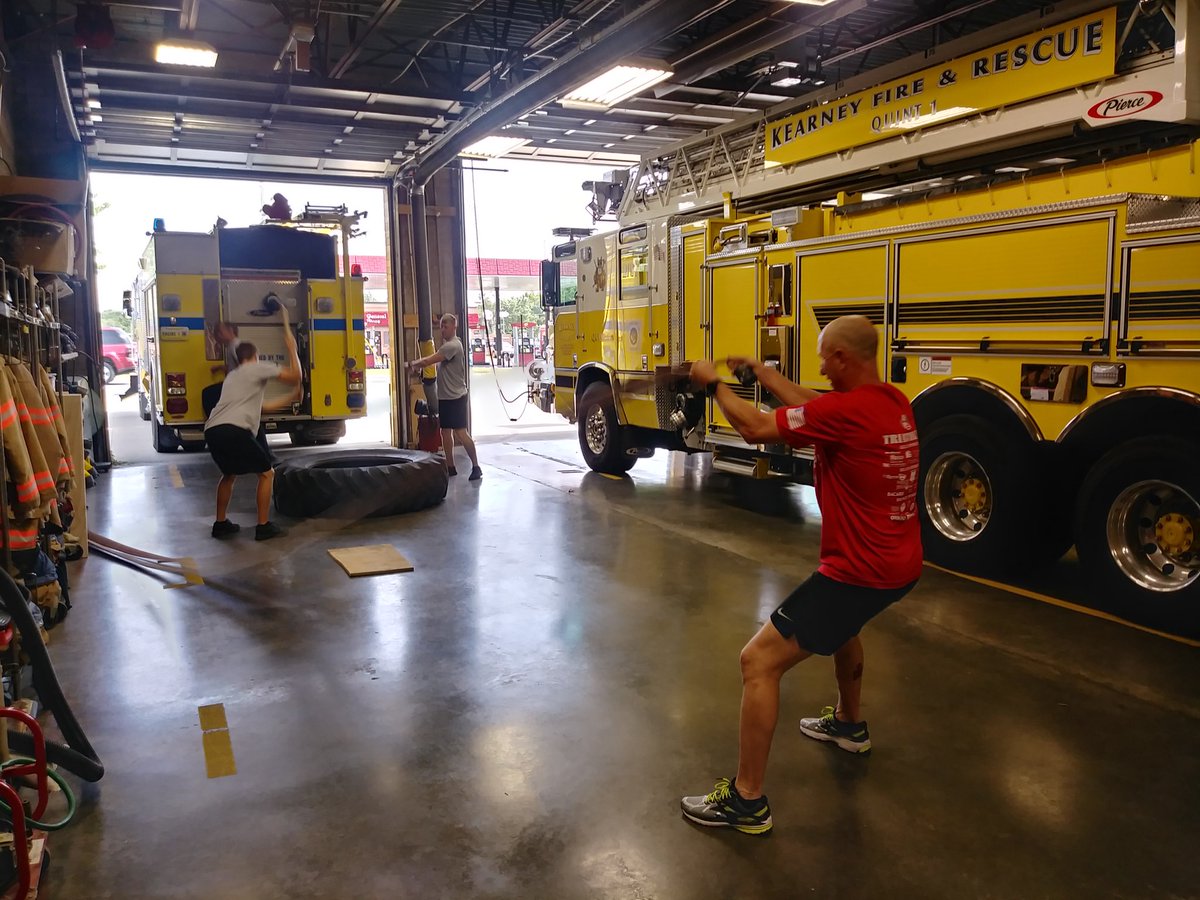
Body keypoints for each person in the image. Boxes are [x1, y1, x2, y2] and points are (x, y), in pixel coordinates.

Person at [680, 315, 922, 835]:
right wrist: (765, 376)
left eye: (823, 357)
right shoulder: (889, 401)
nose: (818, 366)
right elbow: (818, 403)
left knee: (758, 662)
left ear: (841, 359)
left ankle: (746, 800)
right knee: (844, 627)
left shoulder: (847, 411)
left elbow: (754, 428)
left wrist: (715, 383)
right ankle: (848, 724)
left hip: (858, 571)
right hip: (900, 565)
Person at [206, 308, 303, 541]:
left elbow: (264, 407)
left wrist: (291, 398)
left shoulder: (233, 377)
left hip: (213, 430)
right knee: (267, 474)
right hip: (235, 430)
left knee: (228, 475)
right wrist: (292, 349)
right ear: (255, 356)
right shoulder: (256, 367)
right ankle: (263, 526)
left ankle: (220, 523)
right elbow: (295, 376)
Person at [405, 313, 482, 481]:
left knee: (461, 432)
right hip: (446, 397)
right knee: (445, 432)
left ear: (454, 327)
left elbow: (428, 361)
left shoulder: (453, 346)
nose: (442, 330)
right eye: (441, 326)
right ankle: (450, 466)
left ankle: (476, 467)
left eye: (445, 327)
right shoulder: (448, 345)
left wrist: (412, 364)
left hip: (456, 397)